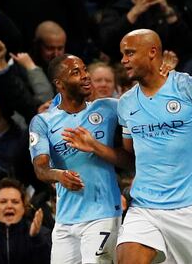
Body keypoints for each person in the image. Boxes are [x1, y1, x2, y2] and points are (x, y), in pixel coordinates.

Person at [66, 29, 192, 263]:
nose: (123, 60)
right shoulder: (127, 103)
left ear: (152, 52)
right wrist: (96, 146)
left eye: (129, 53)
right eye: (122, 54)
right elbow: (131, 159)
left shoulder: (191, 88)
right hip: (145, 205)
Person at [29, 54, 130, 263]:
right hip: (65, 220)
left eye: (85, 70)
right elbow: (40, 169)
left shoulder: (109, 109)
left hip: (103, 214)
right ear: (59, 84)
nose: (85, 76)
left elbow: (130, 161)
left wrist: (95, 146)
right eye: (76, 72)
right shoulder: (43, 122)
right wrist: (59, 175)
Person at [0, 178, 51, 264]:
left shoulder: (42, 234)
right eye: (3, 201)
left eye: (15, 202)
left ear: (24, 208)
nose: (9, 206)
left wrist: (37, 239)